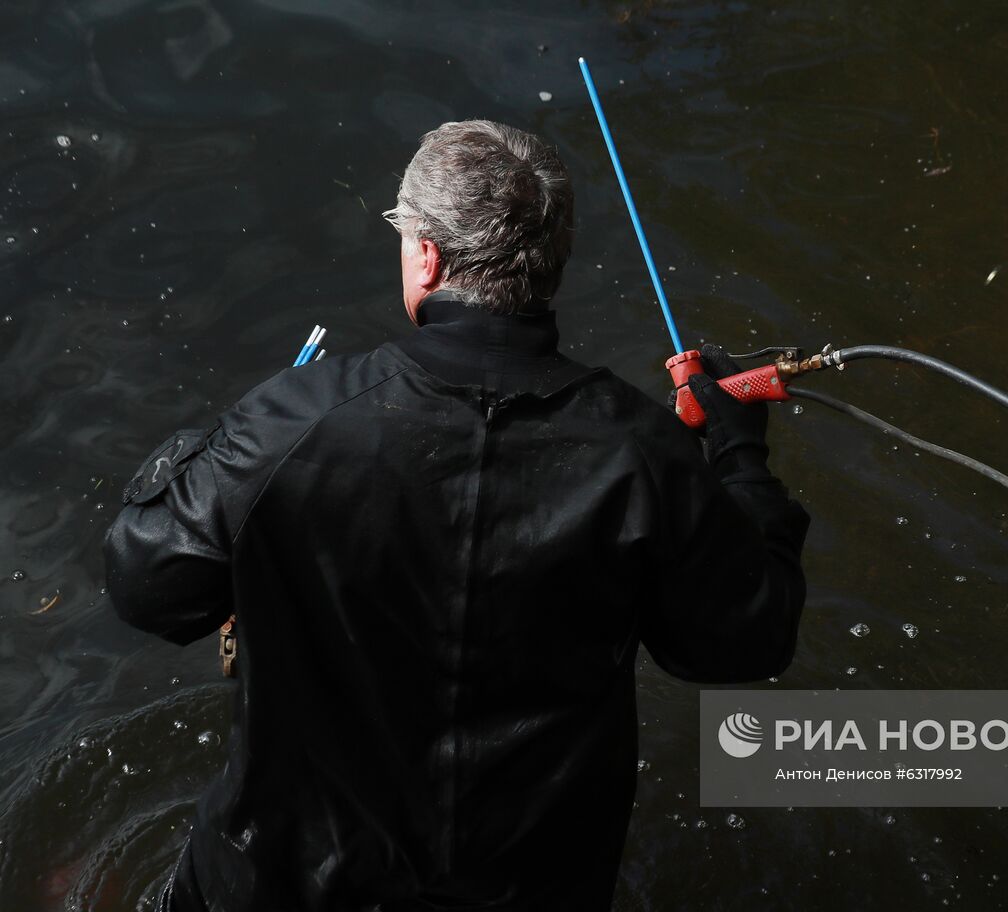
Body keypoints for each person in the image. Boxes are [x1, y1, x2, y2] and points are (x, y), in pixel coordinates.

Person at [103, 120, 809, 911]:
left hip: (282, 882)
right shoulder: (641, 452)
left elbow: (146, 583)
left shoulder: (291, 426)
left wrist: (231, 438)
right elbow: (747, 637)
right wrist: (740, 461)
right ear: (551, 265)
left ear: (428, 256)